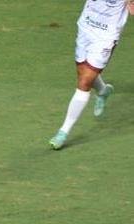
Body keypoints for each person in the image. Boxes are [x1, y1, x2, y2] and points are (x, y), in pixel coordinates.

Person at [49, 0, 132, 149]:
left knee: (84, 82)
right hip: (86, 26)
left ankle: (63, 131)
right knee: (82, 73)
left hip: (106, 36)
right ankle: (103, 90)